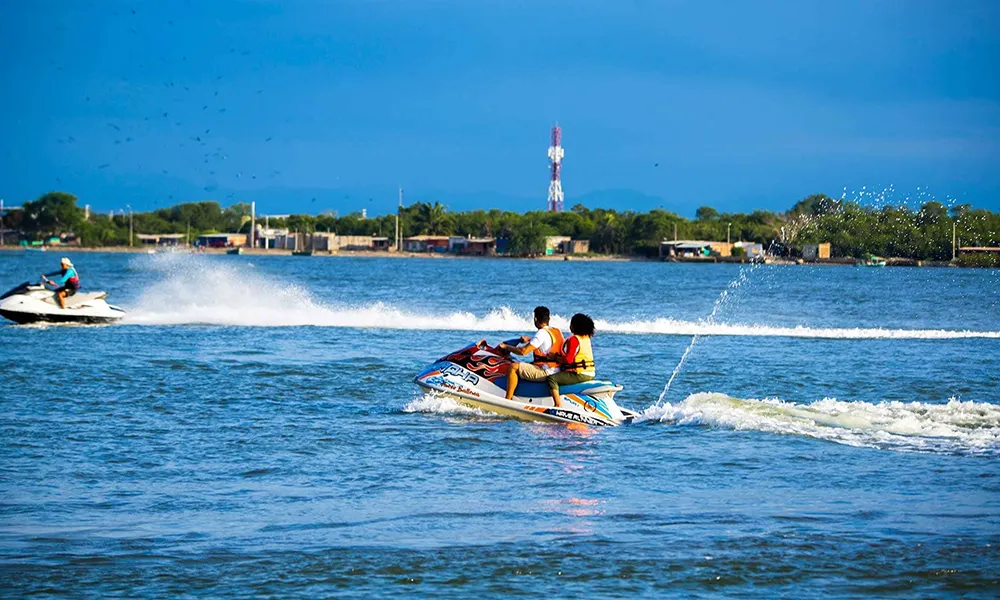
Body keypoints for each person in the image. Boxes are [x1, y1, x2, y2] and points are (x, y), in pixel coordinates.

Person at [497, 306, 564, 400]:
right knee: (527, 364)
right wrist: (530, 339)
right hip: (557, 369)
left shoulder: (541, 333)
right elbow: (546, 343)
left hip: (546, 371)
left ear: (535, 319)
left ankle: (508, 399)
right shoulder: (556, 331)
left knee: (513, 367)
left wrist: (506, 346)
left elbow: (523, 352)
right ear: (549, 318)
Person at [546, 313, 596, 407]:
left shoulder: (574, 339)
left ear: (574, 326)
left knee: (552, 379)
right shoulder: (586, 338)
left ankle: (557, 405)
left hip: (580, 374)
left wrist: (554, 357)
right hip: (590, 372)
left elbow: (568, 360)